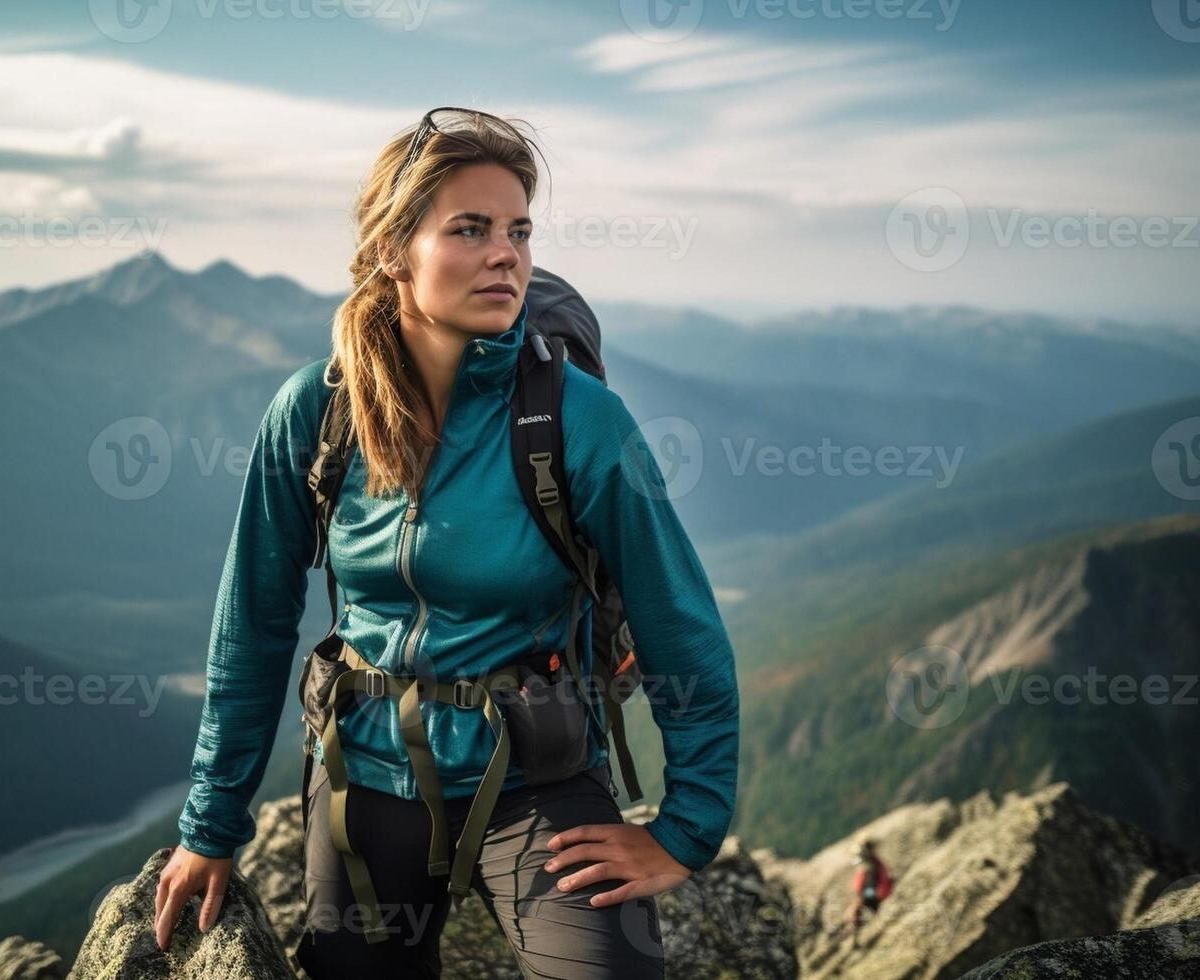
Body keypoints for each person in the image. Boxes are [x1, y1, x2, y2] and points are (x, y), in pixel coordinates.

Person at [152, 107, 740, 978]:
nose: (507, 253)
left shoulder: (579, 419)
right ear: (395, 250)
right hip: (367, 780)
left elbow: (678, 619)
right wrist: (210, 825)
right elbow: (252, 622)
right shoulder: (319, 412)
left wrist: (688, 828)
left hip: (538, 785)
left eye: (518, 230)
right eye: (470, 228)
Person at [842, 838, 893, 947]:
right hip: (870, 896)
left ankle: (854, 939)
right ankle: (853, 937)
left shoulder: (875, 866)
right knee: (853, 912)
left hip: (875, 898)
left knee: (855, 911)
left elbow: (880, 888)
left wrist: (865, 895)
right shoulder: (868, 866)